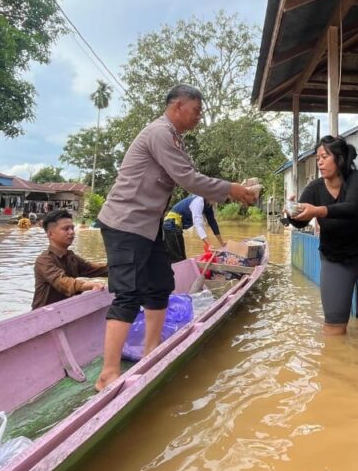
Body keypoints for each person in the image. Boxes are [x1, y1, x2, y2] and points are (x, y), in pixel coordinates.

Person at [94, 84, 257, 390]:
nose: (199, 116)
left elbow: (189, 175)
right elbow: (188, 179)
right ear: (178, 106)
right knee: (129, 293)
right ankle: (108, 373)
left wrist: (229, 189)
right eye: (197, 110)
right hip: (126, 223)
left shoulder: (174, 140)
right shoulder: (159, 133)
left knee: (160, 283)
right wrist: (231, 189)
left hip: (148, 226)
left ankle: (151, 350)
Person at [287, 135, 358, 336]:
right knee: (334, 327)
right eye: (318, 158)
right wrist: (291, 213)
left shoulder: (356, 179)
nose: (319, 162)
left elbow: (352, 208)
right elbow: (301, 222)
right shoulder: (314, 188)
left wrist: (318, 211)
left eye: (324, 157)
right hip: (334, 261)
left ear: (340, 158)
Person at [32, 209, 108, 309]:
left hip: (65, 310)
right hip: (42, 314)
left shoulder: (71, 257)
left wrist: (121, 268)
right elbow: (63, 282)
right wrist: (88, 285)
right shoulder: (43, 260)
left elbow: (95, 269)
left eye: (72, 228)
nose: (71, 232)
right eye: (66, 229)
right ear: (50, 234)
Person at [163, 194, 225, 262]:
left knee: (182, 258)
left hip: (176, 226)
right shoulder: (198, 201)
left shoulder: (208, 205)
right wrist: (209, 244)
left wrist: (222, 243)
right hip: (170, 224)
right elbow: (198, 225)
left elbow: (212, 223)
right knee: (178, 259)